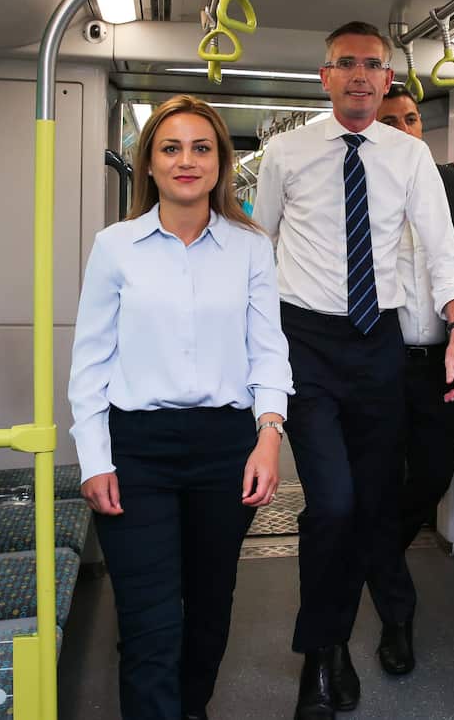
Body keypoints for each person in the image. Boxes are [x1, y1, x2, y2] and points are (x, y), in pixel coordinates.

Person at [253, 22, 454, 720]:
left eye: (371, 65)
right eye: (345, 63)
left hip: (377, 340)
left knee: (369, 505)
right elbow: (258, 253)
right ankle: (320, 655)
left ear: (387, 80)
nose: (358, 74)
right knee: (335, 504)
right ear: (325, 77)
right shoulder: (283, 155)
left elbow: (443, 250)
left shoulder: (409, 157)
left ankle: (333, 643)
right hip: (307, 343)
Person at [68, 95, 293, 720]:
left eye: (201, 148)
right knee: (149, 619)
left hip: (225, 449)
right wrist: (94, 460)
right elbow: (90, 362)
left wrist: (268, 437)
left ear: (221, 163)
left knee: (210, 606)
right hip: (135, 450)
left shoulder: (251, 248)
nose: (186, 160)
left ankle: (190, 707)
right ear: (150, 163)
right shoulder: (115, 247)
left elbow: (268, 351)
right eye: (171, 148)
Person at [366, 83, 454, 675]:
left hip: (444, 362)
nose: (404, 130)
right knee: (374, 482)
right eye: (390, 122)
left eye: (410, 120)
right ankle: (397, 618)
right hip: (377, 365)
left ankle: (368, 557)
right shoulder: (360, 189)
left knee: (430, 477)